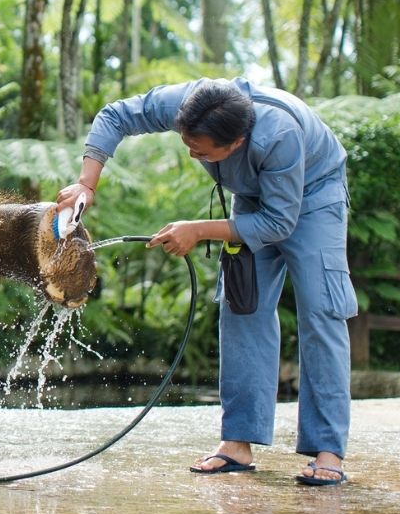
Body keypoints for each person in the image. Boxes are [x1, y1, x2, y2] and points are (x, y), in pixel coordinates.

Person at [57, 78, 357, 485]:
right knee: (241, 307)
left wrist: (198, 229)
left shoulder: (278, 134)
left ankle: (328, 450)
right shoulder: (194, 103)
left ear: (235, 144)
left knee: (322, 311)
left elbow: (279, 222)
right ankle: (237, 443)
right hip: (251, 200)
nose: (191, 153)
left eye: (199, 151)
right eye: (187, 143)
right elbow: (116, 115)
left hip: (315, 195)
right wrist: (86, 184)